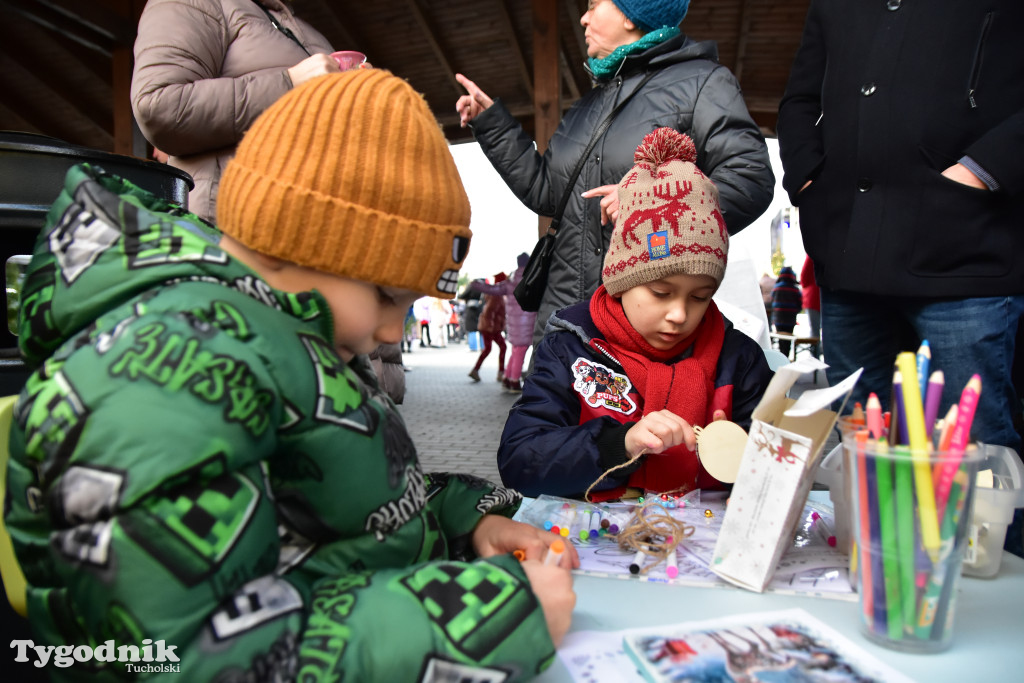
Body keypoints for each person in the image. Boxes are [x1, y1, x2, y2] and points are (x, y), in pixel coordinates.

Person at [7, 69, 578, 680]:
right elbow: (186, 656)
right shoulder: (160, 376)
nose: (393, 332)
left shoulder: (291, 343)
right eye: (387, 298)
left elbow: (347, 509)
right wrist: (491, 619)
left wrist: (467, 522)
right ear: (300, 241)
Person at [777, 0, 1024, 460]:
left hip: (965, 256)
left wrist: (981, 171)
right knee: (861, 450)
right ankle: (872, 539)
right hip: (849, 260)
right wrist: (809, 177)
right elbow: (799, 100)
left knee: (972, 452)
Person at [454, 0, 774, 347]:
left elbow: (749, 176)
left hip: (644, 334)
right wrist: (492, 124)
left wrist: (649, 205)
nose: (583, 17)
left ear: (629, 13)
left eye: (594, 4)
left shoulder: (704, 83)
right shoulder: (586, 107)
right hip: (563, 324)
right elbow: (546, 192)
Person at [497, 128, 773, 500]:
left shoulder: (736, 359)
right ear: (620, 280)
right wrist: (618, 444)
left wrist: (741, 452)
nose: (679, 314)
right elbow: (520, 460)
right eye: (661, 292)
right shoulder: (572, 348)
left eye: (700, 297)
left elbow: (777, 469)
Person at [131, 0, 338, 223]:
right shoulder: (194, 4)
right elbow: (161, 106)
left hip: (317, 221)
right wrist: (289, 84)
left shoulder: (309, 33)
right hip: (239, 224)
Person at [473, 253, 539, 393]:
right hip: (527, 324)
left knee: (515, 351)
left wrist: (476, 284)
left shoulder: (510, 280)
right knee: (519, 352)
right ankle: (514, 382)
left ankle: (507, 379)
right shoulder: (532, 278)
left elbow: (492, 289)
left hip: (513, 325)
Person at [468, 274, 508, 383]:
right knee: (500, 347)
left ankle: (477, 370)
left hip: (490, 327)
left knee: (492, 348)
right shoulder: (497, 296)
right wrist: (492, 327)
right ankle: (500, 372)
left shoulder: (495, 294)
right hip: (491, 328)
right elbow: (489, 312)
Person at [770, 266, 802, 358]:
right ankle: (786, 358)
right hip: (790, 320)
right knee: (788, 342)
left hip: (778, 320)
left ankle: (781, 359)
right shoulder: (795, 289)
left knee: (781, 340)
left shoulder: (776, 288)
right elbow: (800, 304)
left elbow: (773, 302)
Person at [800, 255, 821, 342]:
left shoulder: (813, 253)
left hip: (813, 297)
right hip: (829, 296)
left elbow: (804, 278)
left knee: (814, 332)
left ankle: (815, 354)